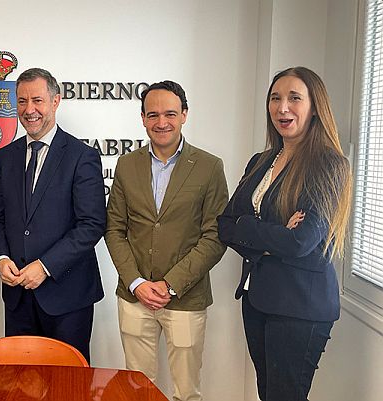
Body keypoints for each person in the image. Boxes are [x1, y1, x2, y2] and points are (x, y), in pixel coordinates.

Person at [217, 67, 352, 401]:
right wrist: (265, 232)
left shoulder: (328, 165)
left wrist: (247, 228)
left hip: (300, 305)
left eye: (294, 98)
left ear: (315, 106)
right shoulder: (261, 160)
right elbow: (224, 224)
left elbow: (300, 241)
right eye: (275, 98)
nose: (282, 108)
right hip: (258, 297)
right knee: (268, 394)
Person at [105, 80, 228, 401]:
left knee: (186, 393)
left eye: (171, 114)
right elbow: (114, 228)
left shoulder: (209, 166)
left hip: (186, 298)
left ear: (185, 115)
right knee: (137, 390)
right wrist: (135, 282)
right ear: (143, 118)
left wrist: (171, 284)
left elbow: (215, 236)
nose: (162, 122)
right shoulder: (127, 164)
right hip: (134, 297)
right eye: (153, 114)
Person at [0, 68, 105, 363]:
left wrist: (45, 266)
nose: (29, 110)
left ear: (55, 101)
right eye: (22, 102)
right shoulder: (6, 156)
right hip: (17, 297)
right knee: (19, 384)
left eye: (37, 100)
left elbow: (92, 225)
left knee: (68, 385)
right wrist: (0, 260)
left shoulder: (81, 155)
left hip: (67, 298)